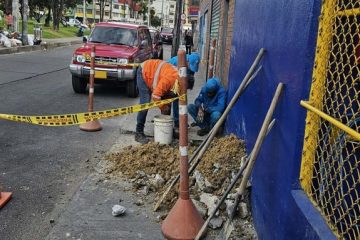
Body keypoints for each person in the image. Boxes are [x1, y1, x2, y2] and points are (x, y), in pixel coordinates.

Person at [135, 59, 179, 144]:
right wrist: (162, 106)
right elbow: (155, 96)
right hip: (144, 72)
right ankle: (138, 132)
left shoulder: (179, 81)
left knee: (168, 103)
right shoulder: (169, 80)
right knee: (145, 104)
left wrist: (166, 105)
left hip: (156, 75)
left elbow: (170, 95)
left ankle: (167, 131)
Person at [167, 53, 200, 127]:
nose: (192, 69)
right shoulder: (176, 61)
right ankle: (166, 123)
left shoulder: (191, 64)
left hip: (179, 81)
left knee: (178, 101)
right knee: (168, 102)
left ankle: (177, 122)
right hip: (169, 79)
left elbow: (190, 76)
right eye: (191, 67)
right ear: (187, 61)